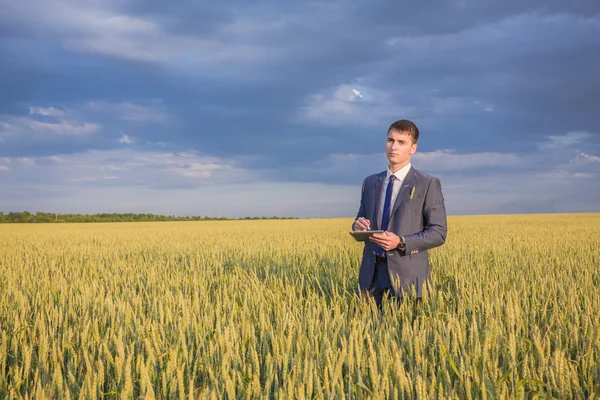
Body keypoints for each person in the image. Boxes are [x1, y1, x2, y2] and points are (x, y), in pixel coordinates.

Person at [353, 119, 447, 307]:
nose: (393, 146)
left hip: (408, 278)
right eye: (390, 140)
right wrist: (357, 226)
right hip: (371, 277)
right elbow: (361, 219)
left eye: (401, 142)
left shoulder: (427, 183)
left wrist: (401, 242)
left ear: (413, 148)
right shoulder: (370, 182)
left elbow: (438, 232)